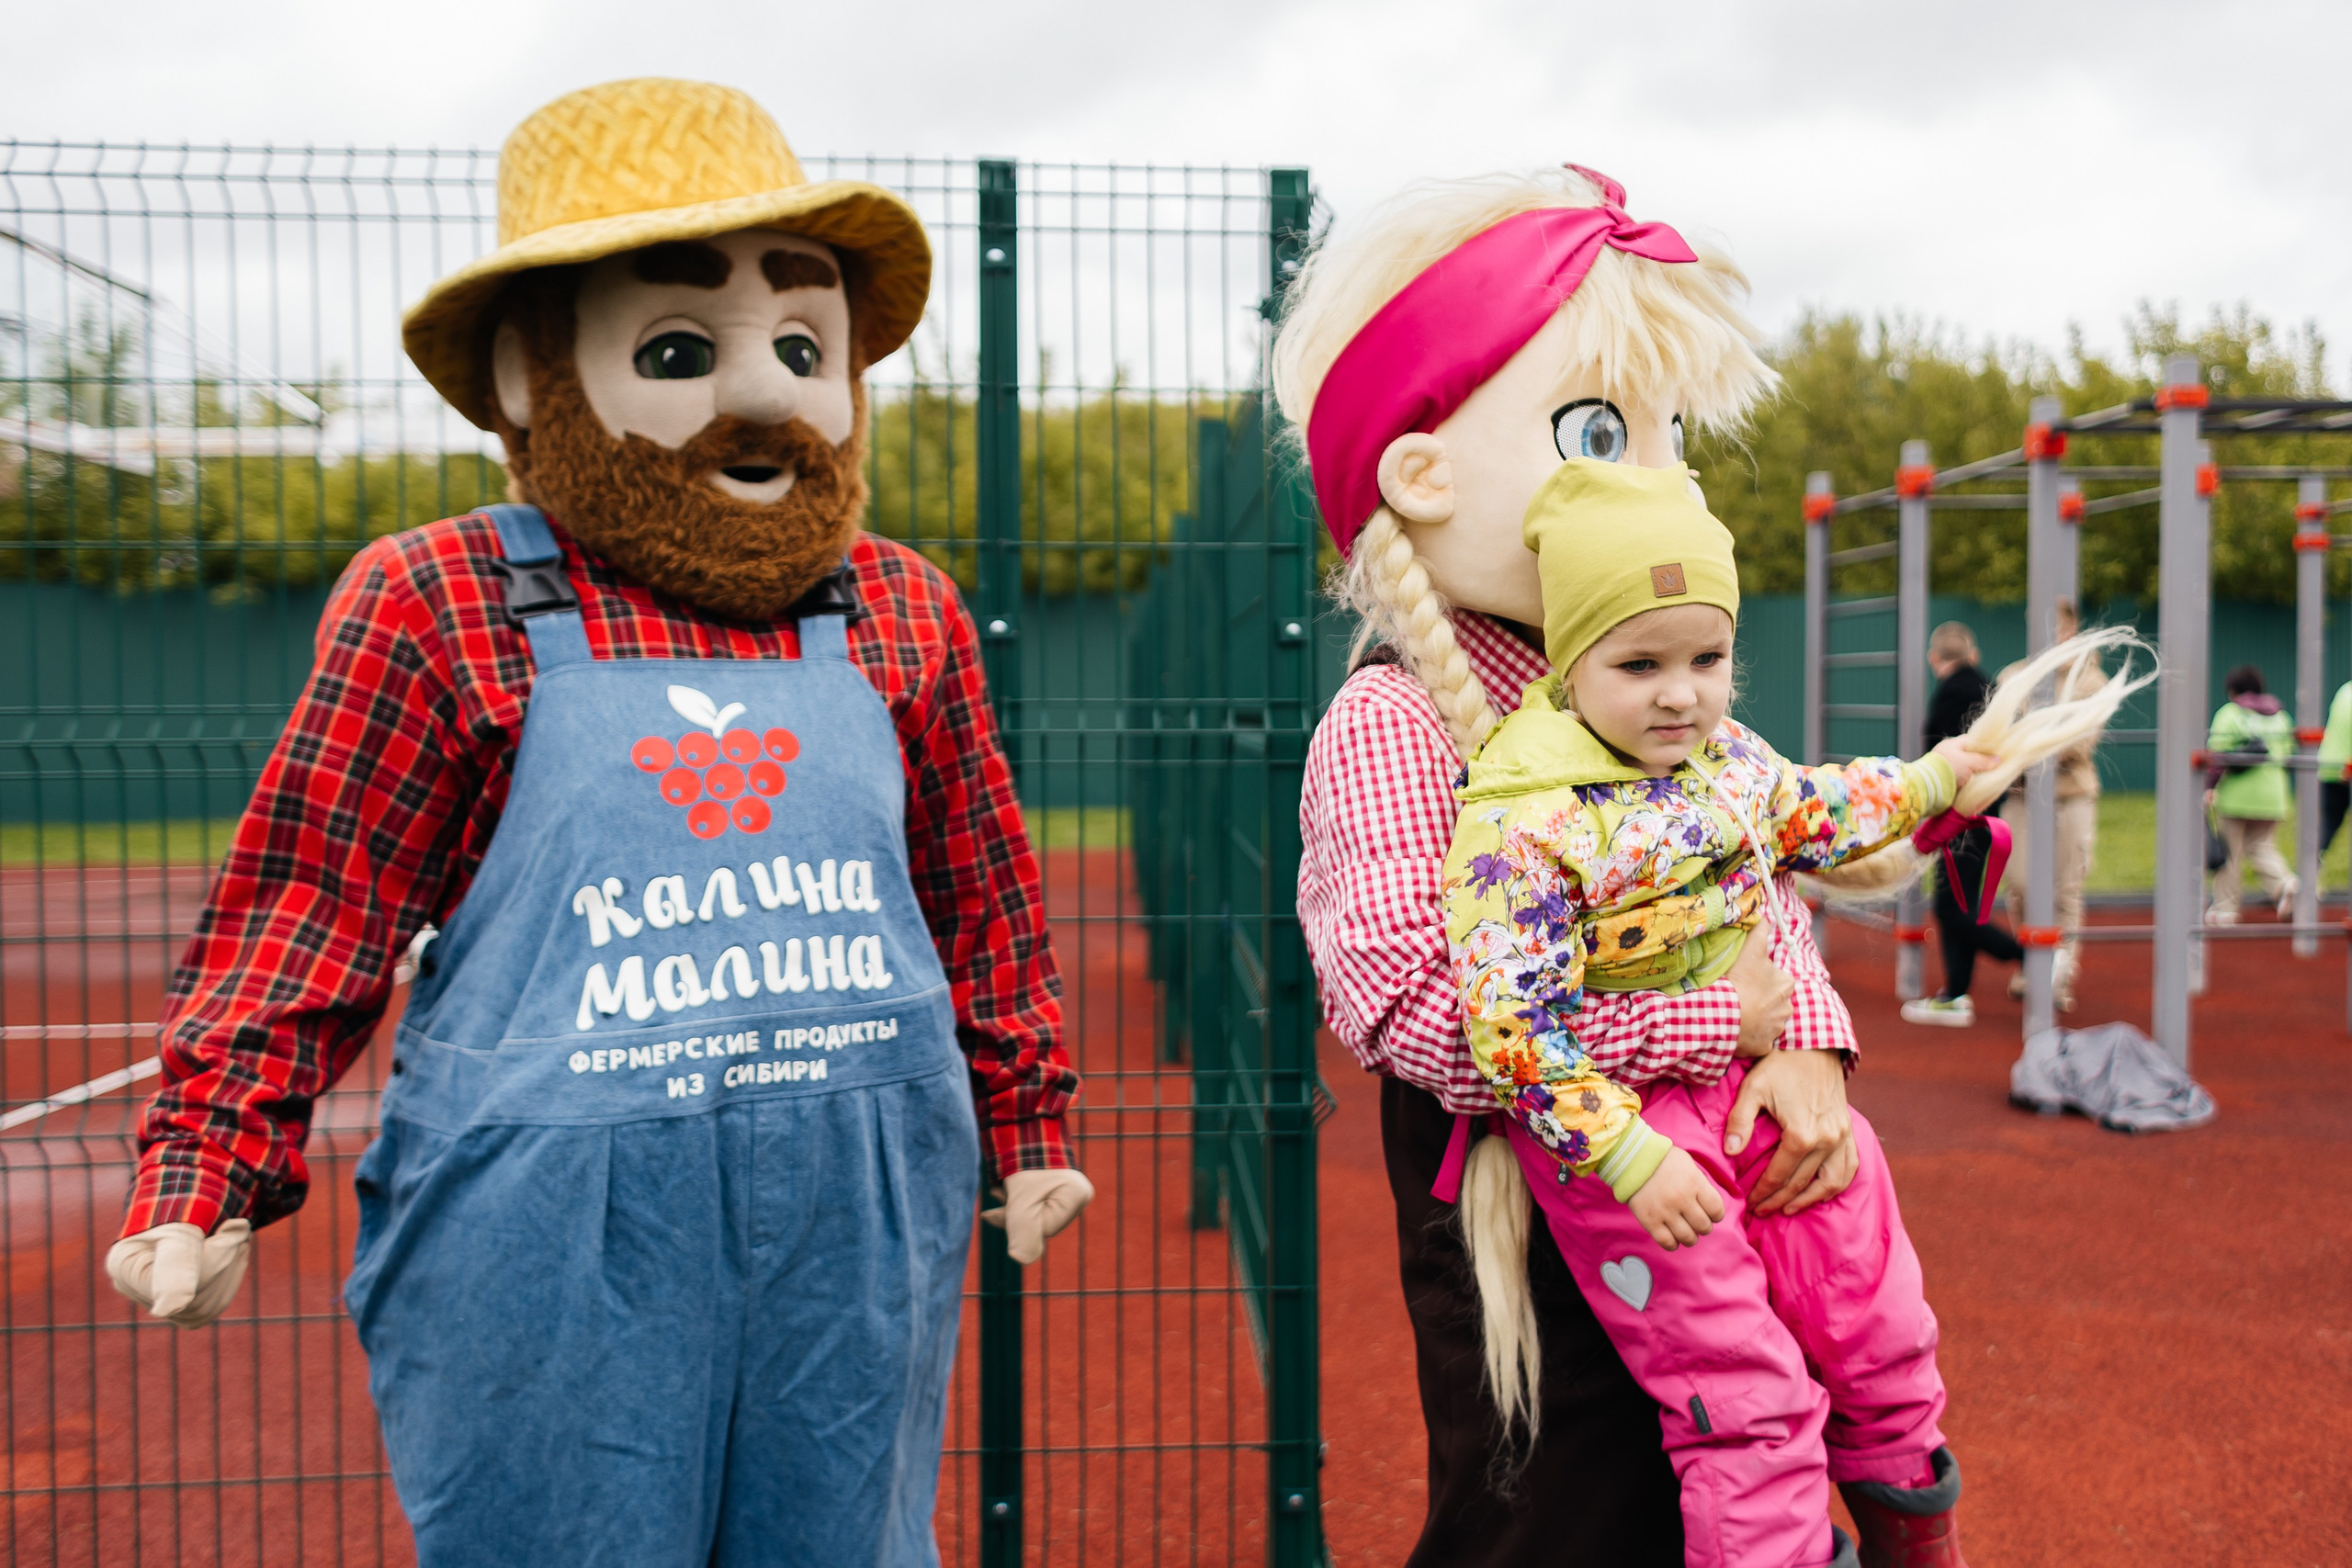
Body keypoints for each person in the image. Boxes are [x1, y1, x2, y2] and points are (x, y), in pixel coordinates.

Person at [104, 80, 1091, 1565]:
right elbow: (312, 904)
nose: (766, 397)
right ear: (529, 373)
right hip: (552, 1246)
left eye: (803, 348)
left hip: (854, 1229)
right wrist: (206, 1167)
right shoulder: (442, 599)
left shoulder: (902, 610)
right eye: (680, 350)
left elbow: (981, 895)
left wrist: (1025, 1115)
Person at [1282, 166, 1870, 1568]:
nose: (1656, 481)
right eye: (1601, 432)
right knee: (1557, 1506)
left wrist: (1808, 1038)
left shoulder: (1643, 676)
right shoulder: (1398, 720)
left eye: (1670, 439)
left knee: (1756, 1467)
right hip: (1524, 1202)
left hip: (1713, 1167)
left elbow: (1753, 853)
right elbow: (1411, 1006)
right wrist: (1707, 1018)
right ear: (1421, 473)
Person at [1442, 460, 2004, 1568]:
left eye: (1706, 659)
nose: (1680, 695)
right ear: (1567, 662)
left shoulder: (1727, 761)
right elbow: (1507, 1027)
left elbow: (1824, 806)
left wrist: (1939, 778)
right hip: (1628, 1142)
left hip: (1745, 1093)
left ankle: (1915, 1532)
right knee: (1746, 1400)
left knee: (1877, 1326)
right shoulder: (1525, 818)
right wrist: (1630, 1160)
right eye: (1639, 664)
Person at [1902, 623, 2022, 1027]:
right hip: (1988, 811)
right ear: (1972, 655)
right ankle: (1955, 993)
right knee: (1960, 903)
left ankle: (2028, 956)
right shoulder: (1989, 689)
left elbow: (1940, 760)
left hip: (1960, 814)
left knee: (1950, 908)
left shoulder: (1949, 694)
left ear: (1934, 658)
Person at [1997, 600, 2105, 1011]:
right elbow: (1997, 733)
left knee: (2066, 888)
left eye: (2052, 627)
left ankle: (2061, 975)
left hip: (2069, 794)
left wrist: (2021, 747)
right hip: (2022, 795)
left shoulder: (2090, 679)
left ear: (2070, 630)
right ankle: (2034, 962)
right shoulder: (2014, 675)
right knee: (2020, 884)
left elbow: (2078, 743)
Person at [2207, 663, 2297, 923]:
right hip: (2273, 795)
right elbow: (2288, 755)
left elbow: (2216, 756)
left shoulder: (2231, 714)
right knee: (2261, 845)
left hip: (2237, 796)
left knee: (2229, 854)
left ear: (2233, 690)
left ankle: (2225, 910)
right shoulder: (2281, 717)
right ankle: (2285, 883)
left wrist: (2209, 787)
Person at [2317, 677, 2351, 854]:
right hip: (2347, 767)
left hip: (2329, 765)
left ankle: (2313, 863)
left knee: (2329, 824)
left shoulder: (2344, 690)